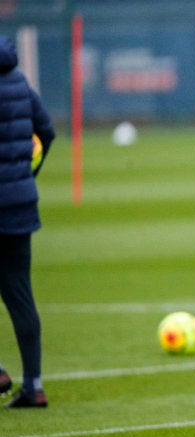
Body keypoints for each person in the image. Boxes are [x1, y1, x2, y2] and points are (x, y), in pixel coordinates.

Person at [0, 35, 55, 407]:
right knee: (21, 296)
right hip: (20, 205)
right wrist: (26, 177)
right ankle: (33, 386)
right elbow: (46, 132)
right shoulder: (18, 80)